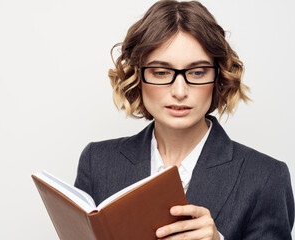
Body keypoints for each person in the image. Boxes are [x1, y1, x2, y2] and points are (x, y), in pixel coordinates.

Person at [74, 0, 294, 239]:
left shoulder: (266, 177)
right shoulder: (97, 163)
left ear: (218, 76)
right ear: (137, 76)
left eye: (197, 72)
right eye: (161, 72)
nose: (180, 91)